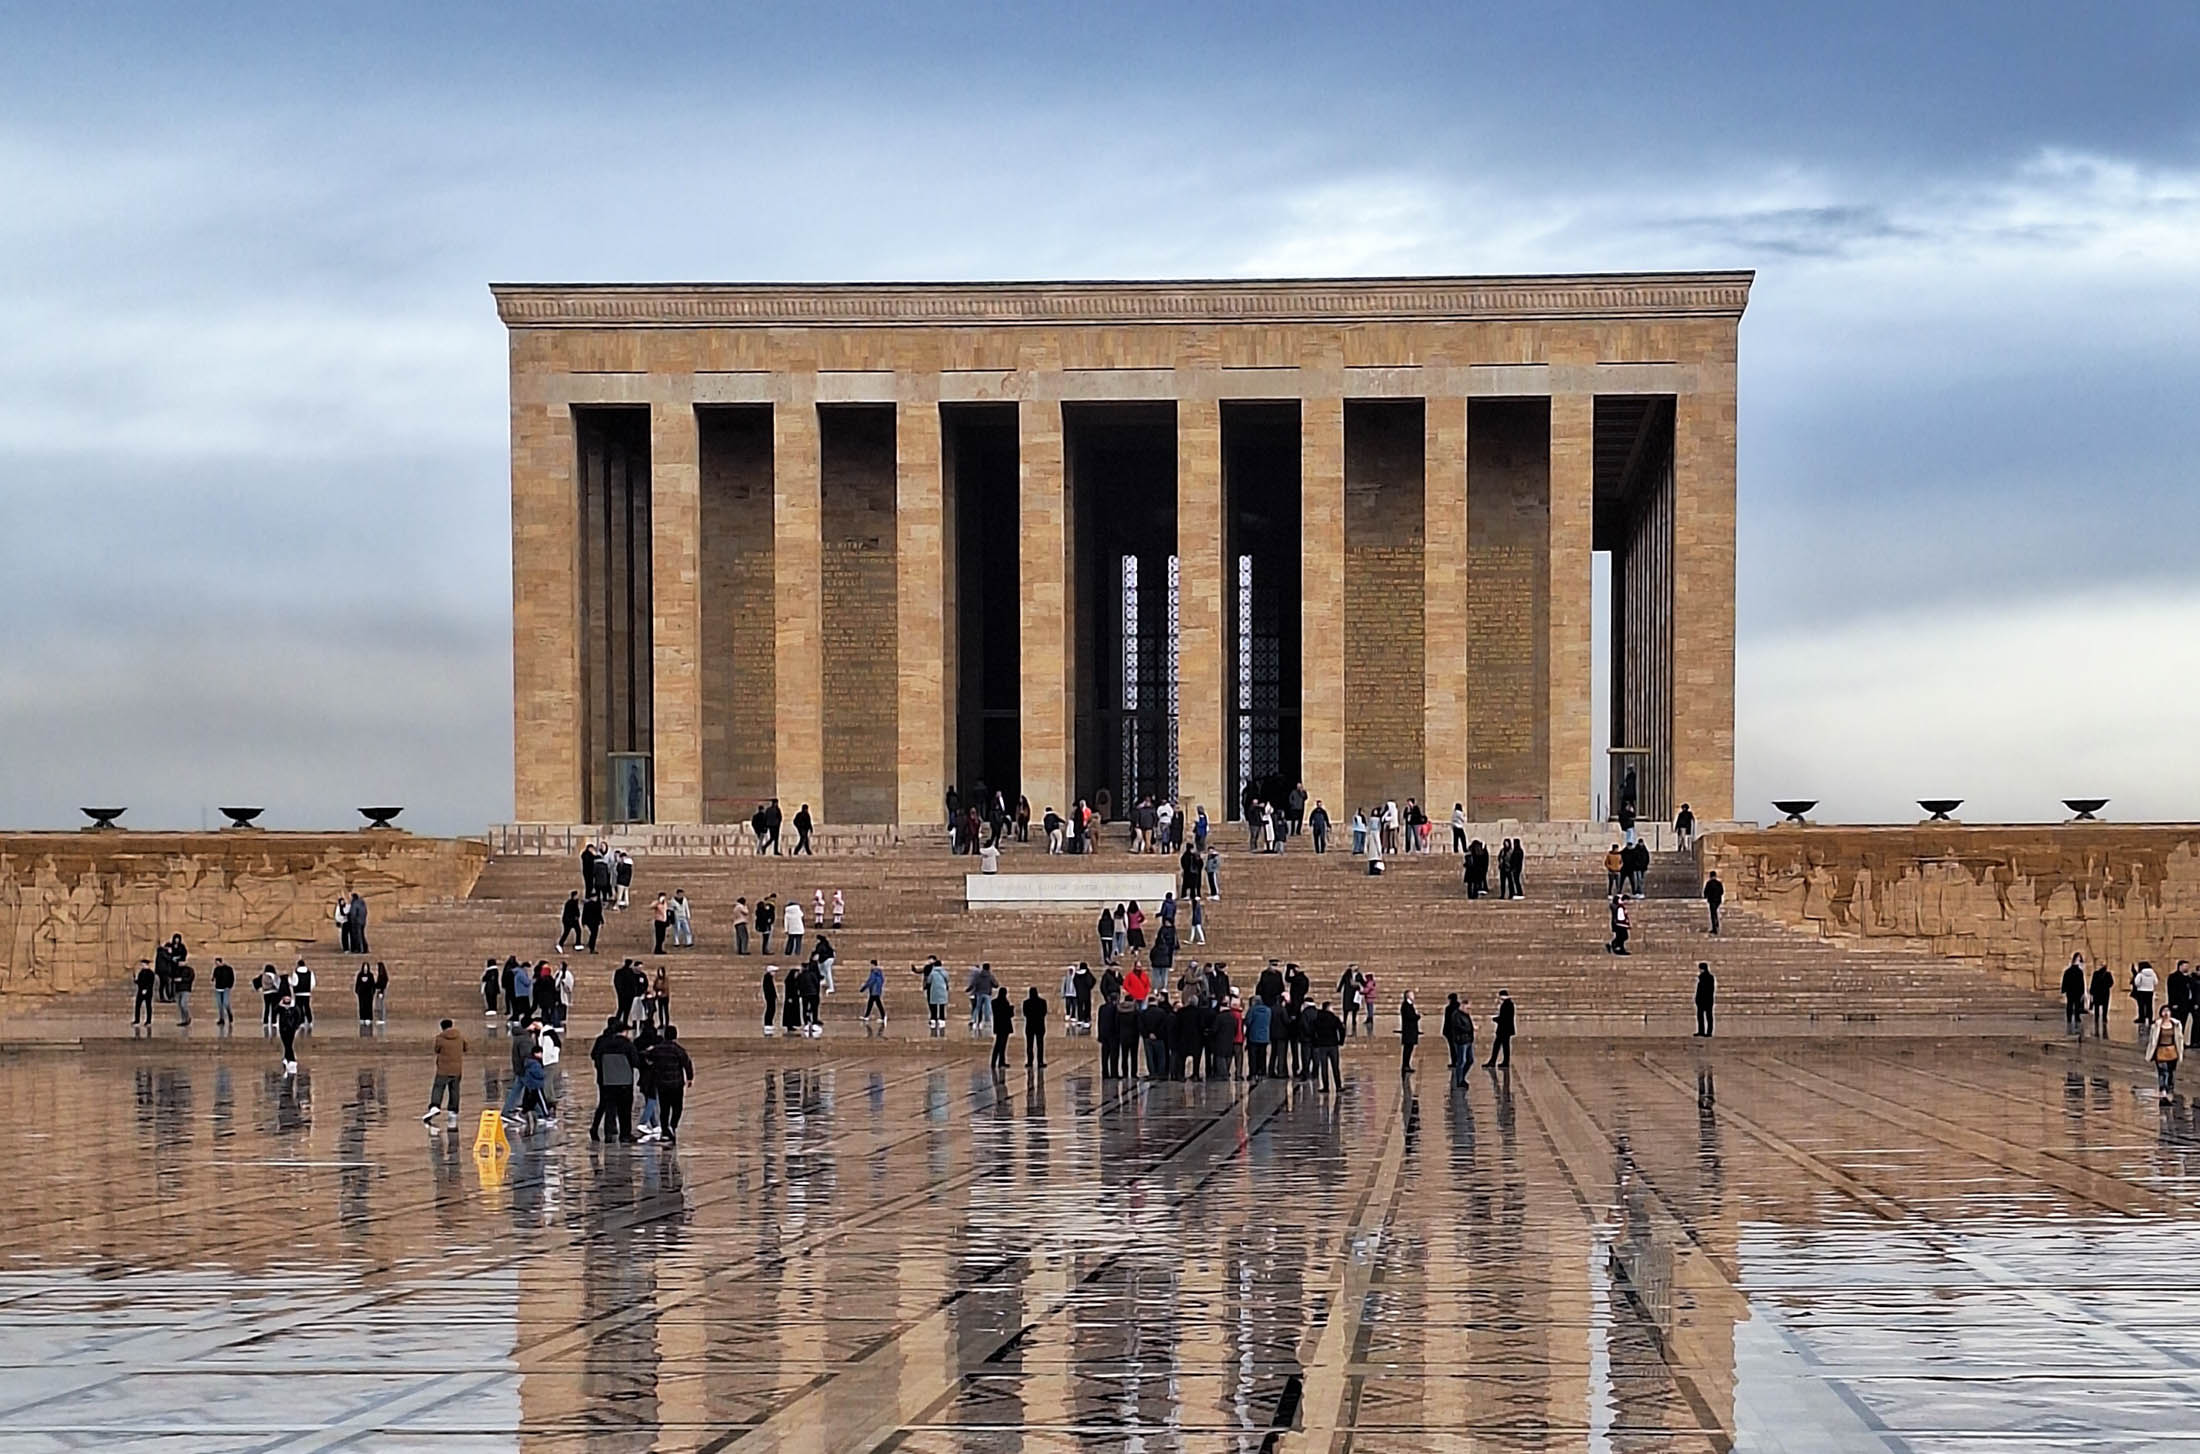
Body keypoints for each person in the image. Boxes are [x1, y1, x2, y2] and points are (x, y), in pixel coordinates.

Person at [589, 1016, 637, 1143]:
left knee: (609, 1107)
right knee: (624, 1109)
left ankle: (608, 1132)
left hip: (607, 1080)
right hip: (625, 1081)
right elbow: (636, 1061)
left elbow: (596, 1057)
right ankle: (625, 1134)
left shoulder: (603, 1043)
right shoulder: (627, 1045)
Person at [644, 1026, 694, 1141]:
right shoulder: (678, 1050)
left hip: (662, 1083)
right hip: (676, 1083)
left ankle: (665, 1129)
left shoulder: (657, 1049)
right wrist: (689, 1078)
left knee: (664, 1108)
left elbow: (646, 1056)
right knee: (677, 1106)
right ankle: (673, 1125)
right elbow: (687, 1063)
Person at [423, 1019, 468, 1127]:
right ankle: (453, 1111)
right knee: (454, 1089)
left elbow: (437, 1050)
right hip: (457, 1069)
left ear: (442, 1027)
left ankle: (435, 1106)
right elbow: (466, 1048)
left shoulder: (440, 1038)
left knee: (438, 1087)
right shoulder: (460, 1038)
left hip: (443, 1069)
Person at [2145, 1005, 2186, 1103]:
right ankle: (2163, 1090)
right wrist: (2151, 1053)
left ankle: (2169, 1091)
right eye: (2164, 1011)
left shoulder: (2176, 1024)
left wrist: (2180, 1052)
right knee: (2163, 1072)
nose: (2166, 1013)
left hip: (2172, 1051)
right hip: (2160, 1051)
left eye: (2168, 1011)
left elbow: (2179, 1039)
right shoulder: (2156, 1025)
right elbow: (2152, 1040)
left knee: (2171, 1072)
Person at [1442, 992, 1473, 1086]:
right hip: (1461, 1040)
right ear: (1463, 1006)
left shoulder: (1465, 1014)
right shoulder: (1456, 1014)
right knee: (1462, 1060)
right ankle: (1460, 1080)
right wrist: (1471, 1029)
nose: (1469, 1010)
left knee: (1470, 1060)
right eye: (1467, 1008)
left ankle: (1462, 1077)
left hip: (1467, 1040)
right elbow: (1458, 1026)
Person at [1486, 989, 1516, 1068]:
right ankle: (1502, 1061)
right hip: (1506, 1029)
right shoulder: (1509, 1004)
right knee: (1504, 1046)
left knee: (1499, 1046)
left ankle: (1494, 1061)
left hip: (1504, 1029)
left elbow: (1504, 1018)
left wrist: (1495, 1019)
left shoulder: (1506, 1004)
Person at [276, 993, 304, 1075]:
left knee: (288, 1044)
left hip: (291, 1029)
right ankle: (287, 1058)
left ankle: (292, 1059)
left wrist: (295, 1026)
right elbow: (275, 1010)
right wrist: (280, 1004)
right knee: (285, 1043)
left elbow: (298, 1017)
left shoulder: (294, 1008)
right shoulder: (281, 1008)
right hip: (282, 1028)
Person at [2061, 955, 2088, 1036]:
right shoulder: (2079, 972)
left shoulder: (2068, 971)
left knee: (2070, 1004)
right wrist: (2082, 992)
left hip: (2070, 991)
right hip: (2077, 992)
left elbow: (2064, 981)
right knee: (2076, 1005)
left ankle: (2069, 1018)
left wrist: (2063, 989)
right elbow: (2081, 983)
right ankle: (2076, 1017)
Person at [989, 985, 1014, 1071]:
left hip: (998, 1025)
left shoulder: (994, 1002)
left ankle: (994, 1061)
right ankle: (1001, 1062)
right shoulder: (1005, 1002)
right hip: (1005, 1026)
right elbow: (1009, 1014)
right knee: (1002, 1045)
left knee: (997, 1044)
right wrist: (1011, 1009)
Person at [923, 957, 950, 1033]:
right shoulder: (945, 972)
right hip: (942, 991)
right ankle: (942, 1020)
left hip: (934, 991)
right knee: (942, 1006)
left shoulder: (932, 973)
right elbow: (947, 980)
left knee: (934, 1006)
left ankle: (933, 1019)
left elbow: (928, 981)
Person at [1023, 986, 1048, 1070]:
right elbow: (1044, 1012)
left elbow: (1025, 1014)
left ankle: (1030, 1062)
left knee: (1029, 1045)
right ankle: (1040, 1061)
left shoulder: (1026, 1003)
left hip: (1029, 1026)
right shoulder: (1042, 1002)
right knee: (1040, 1044)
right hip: (1040, 1025)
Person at [1398, 991, 1421, 1074]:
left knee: (1409, 1049)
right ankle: (1405, 1065)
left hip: (1411, 1031)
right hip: (1409, 1031)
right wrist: (1417, 1016)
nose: (1413, 996)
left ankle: (1407, 1064)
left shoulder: (1409, 1005)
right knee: (1407, 1049)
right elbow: (1409, 1016)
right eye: (1412, 995)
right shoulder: (1406, 1005)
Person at [131, 957, 156, 1027]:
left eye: (143, 964)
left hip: (148, 992)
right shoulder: (141, 972)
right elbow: (139, 982)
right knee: (137, 1005)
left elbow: (151, 983)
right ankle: (137, 1020)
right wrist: (136, 980)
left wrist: (146, 989)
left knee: (148, 1006)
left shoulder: (151, 973)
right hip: (140, 991)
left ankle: (148, 1021)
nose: (142, 966)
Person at [2133, 962, 2159, 1029]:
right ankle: (2150, 1019)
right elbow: (2156, 982)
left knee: (2141, 1005)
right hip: (2150, 991)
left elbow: (2136, 982)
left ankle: (2142, 1018)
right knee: (2149, 1005)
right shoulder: (2153, 973)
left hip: (2141, 991)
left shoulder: (2140, 974)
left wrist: (2140, 985)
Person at [211, 957, 235, 1028]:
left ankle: (229, 1013)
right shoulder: (216, 969)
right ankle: (221, 1019)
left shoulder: (228, 969)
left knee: (225, 1002)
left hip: (226, 988)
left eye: (216, 962)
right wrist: (213, 979)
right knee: (219, 1005)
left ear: (220, 962)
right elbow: (214, 976)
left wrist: (230, 986)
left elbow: (232, 977)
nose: (216, 964)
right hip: (218, 988)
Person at [171, 956, 194, 1027]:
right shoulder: (176, 970)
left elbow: (190, 978)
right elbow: (173, 977)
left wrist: (181, 979)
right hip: (178, 989)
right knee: (180, 1005)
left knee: (183, 1004)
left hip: (186, 989)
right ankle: (184, 1020)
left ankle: (187, 1018)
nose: (180, 963)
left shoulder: (190, 970)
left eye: (181, 962)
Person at [861, 961, 887, 1026]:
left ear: (873, 965)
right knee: (872, 1003)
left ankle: (882, 1016)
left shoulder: (874, 972)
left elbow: (871, 981)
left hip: (874, 990)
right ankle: (867, 1016)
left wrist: (864, 988)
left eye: (871, 965)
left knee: (875, 1003)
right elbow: (882, 980)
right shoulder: (879, 972)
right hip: (877, 990)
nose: (870, 966)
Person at [1695, 963, 1716, 1037]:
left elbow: (1702, 990)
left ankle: (1703, 1031)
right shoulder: (1709, 977)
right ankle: (1706, 1032)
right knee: (1707, 1016)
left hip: (1704, 1000)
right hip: (1707, 1000)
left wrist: (1697, 998)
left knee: (1704, 1016)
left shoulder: (1704, 978)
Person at [292, 957, 314, 1025]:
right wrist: (309, 989)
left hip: (298, 993)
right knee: (307, 1006)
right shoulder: (310, 973)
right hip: (307, 993)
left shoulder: (296, 973)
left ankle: (301, 1020)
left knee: (299, 1007)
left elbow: (294, 983)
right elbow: (312, 983)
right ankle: (310, 1020)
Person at [761, 965, 779, 1035]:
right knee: (770, 1009)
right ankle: (767, 1023)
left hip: (771, 996)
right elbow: (769, 988)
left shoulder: (769, 978)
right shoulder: (767, 978)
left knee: (772, 1009)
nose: (774, 973)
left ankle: (769, 1023)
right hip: (769, 996)